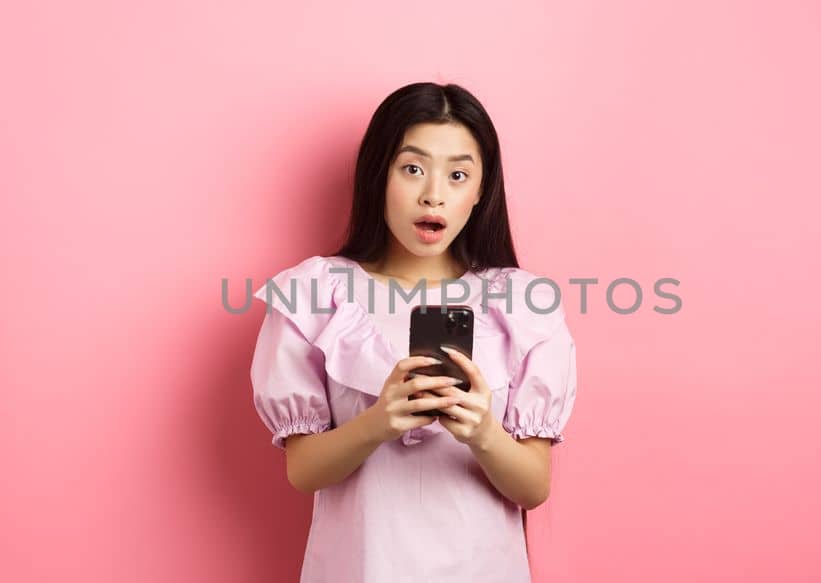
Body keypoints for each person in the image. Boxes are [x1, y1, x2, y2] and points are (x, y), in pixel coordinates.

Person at [248, 81, 579, 582]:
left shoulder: (524, 304)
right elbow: (304, 471)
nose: (433, 194)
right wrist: (381, 420)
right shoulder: (314, 293)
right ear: (379, 176)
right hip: (361, 568)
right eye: (413, 168)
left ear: (480, 193)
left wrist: (484, 433)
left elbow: (533, 487)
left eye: (459, 174)